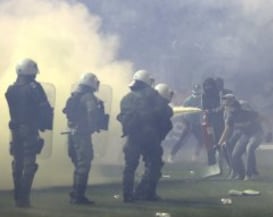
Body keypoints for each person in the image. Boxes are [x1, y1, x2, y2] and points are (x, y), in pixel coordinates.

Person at [117, 70, 173, 202]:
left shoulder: (126, 98)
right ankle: (147, 193)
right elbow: (166, 112)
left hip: (133, 137)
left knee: (130, 167)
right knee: (154, 164)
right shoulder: (153, 96)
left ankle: (127, 195)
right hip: (150, 137)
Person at [5, 58, 53, 208]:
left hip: (14, 129)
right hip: (29, 129)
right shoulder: (33, 87)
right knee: (29, 164)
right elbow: (44, 107)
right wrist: (44, 125)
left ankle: (17, 195)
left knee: (17, 163)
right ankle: (23, 198)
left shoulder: (11, 89)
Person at [63, 72, 109, 205]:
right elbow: (92, 113)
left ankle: (75, 192)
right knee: (84, 164)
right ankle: (78, 196)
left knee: (78, 164)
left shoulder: (74, 96)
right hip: (82, 134)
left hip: (72, 133)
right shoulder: (89, 97)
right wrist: (93, 126)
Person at [217, 94, 272, 180]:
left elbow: (265, 118)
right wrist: (219, 143)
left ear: (234, 107)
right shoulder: (230, 116)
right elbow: (227, 130)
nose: (226, 107)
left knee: (249, 148)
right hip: (245, 135)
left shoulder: (246, 113)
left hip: (256, 133)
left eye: (228, 106)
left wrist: (269, 132)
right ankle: (240, 173)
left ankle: (249, 174)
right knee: (235, 155)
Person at [168, 83, 204, 163]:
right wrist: (185, 122)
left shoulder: (202, 100)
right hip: (189, 123)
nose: (197, 95)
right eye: (196, 93)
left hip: (197, 124)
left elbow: (203, 111)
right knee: (182, 141)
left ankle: (195, 155)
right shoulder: (188, 100)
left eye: (198, 93)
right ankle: (171, 155)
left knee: (201, 140)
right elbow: (182, 112)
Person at [201, 77, 223, 165]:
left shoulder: (218, 94)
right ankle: (211, 160)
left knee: (218, 138)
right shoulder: (204, 95)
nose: (207, 88)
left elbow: (221, 106)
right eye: (206, 86)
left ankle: (220, 158)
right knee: (209, 139)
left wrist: (214, 111)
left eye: (209, 85)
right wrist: (206, 111)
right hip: (208, 120)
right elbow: (204, 107)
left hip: (218, 120)